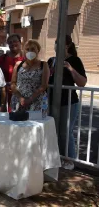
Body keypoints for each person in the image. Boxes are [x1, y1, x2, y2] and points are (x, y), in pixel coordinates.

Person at [48, 35, 87, 169]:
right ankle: (56, 158)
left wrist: (70, 68)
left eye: (60, 43)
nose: (56, 46)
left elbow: (82, 83)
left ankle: (70, 161)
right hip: (52, 102)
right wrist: (50, 72)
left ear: (67, 45)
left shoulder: (75, 60)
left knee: (66, 132)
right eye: (55, 42)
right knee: (53, 131)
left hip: (69, 102)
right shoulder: (51, 60)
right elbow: (46, 80)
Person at [11, 40, 49, 111]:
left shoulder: (43, 65)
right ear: (24, 51)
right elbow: (13, 83)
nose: (30, 51)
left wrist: (30, 99)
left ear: (38, 50)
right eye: (27, 49)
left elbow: (44, 85)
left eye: (33, 49)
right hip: (18, 101)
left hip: (37, 102)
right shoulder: (18, 64)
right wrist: (20, 98)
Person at [0, 34, 24, 112]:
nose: (13, 44)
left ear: (20, 42)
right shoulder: (3, 58)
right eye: (10, 42)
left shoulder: (26, 58)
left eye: (15, 41)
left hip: (22, 93)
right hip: (5, 93)